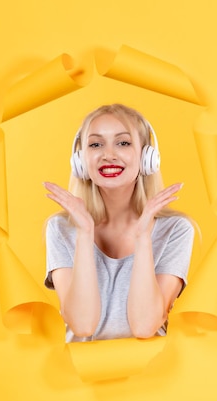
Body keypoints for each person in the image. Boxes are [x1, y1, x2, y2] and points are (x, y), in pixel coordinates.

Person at [43, 103, 194, 342]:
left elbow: (145, 327)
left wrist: (143, 238)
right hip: (80, 374)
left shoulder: (176, 230)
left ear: (147, 157)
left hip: (154, 374)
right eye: (95, 144)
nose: (108, 154)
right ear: (80, 161)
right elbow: (82, 324)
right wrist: (84, 233)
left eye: (123, 143)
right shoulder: (61, 229)